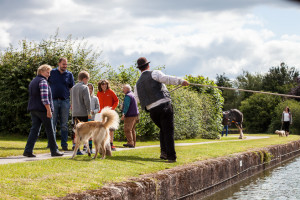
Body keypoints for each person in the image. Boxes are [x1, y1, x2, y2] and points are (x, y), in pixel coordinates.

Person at [134, 57, 189, 163]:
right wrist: (181, 81)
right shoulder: (154, 73)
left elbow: (137, 99)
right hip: (164, 106)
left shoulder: (137, 84)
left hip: (152, 111)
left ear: (139, 68)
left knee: (163, 130)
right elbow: (167, 79)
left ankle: (163, 153)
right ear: (148, 65)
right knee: (168, 131)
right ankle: (171, 157)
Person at [24, 64, 64, 157]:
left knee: (34, 130)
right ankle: (54, 151)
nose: (49, 74)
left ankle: (28, 150)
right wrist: (49, 110)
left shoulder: (33, 81)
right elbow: (44, 98)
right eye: (48, 72)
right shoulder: (43, 81)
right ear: (41, 71)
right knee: (50, 130)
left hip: (33, 109)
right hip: (42, 110)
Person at [48, 57, 75, 151]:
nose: (65, 66)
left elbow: (72, 89)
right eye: (63, 64)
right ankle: (51, 144)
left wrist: (72, 102)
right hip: (53, 101)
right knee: (52, 123)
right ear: (59, 63)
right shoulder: (52, 72)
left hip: (65, 101)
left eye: (66, 64)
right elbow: (47, 84)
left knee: (64, 124)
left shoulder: (69, 74)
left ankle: (64, 145)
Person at [71, 71, 91, 155]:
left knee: (76, 132)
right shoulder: (84, 87)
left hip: (74, 112)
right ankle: (86, 147)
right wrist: (89, 111)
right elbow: (87, 101)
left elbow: (71, 100)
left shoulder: (73, 88)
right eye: (87, 79)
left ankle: (77, 148)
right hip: (83, 112)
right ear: (85, 79)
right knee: (84, 132)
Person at [97, 80, 119, 151]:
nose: (104, 86)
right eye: (102, 84)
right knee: (102, 129)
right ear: (100, 85)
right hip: (101, 114)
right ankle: (103, 144)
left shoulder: (110, 92)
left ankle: (111, 144)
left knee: (111, 129)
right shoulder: (98, 93)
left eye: (105, 84)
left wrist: (112, 108)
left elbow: (116, 100)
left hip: (109, 113)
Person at [84, 83, 100, 151]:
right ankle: (85, 146)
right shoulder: (84, 97)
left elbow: (98, 108)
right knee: (85, 132)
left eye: (91, 88)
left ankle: (90, 147)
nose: (89, 90)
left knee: (91, 133)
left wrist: (93, 111)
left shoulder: (95, 98)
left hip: (92, 118)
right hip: (85, 117)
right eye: (88, 88)